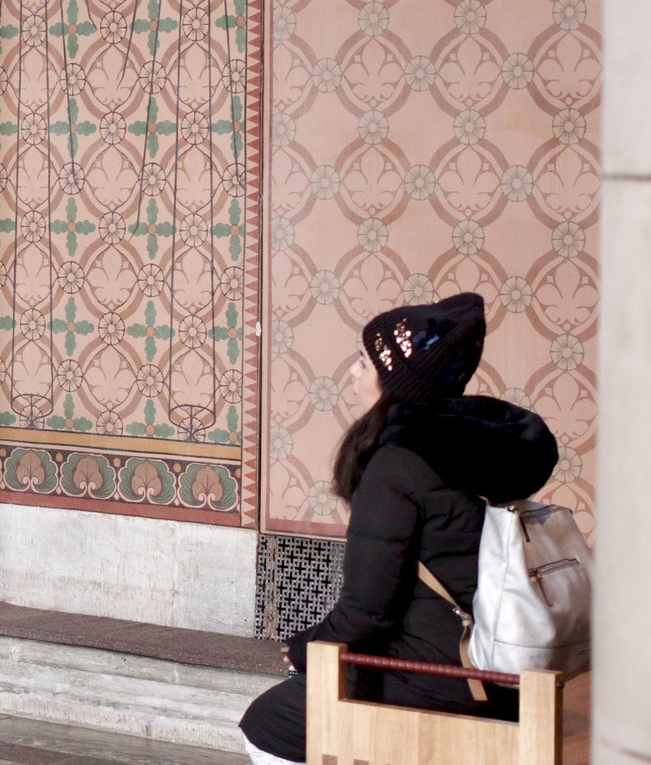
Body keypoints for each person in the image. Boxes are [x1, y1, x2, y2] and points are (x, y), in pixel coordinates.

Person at [239, 292, 559, 765]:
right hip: (504, 670)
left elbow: (367, 614)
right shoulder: (474, 447)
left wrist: (303, 649)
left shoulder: (398, 466)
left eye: (365, 363)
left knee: (266, 726)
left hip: (447, 678)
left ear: (395, 382)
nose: (353, 371)